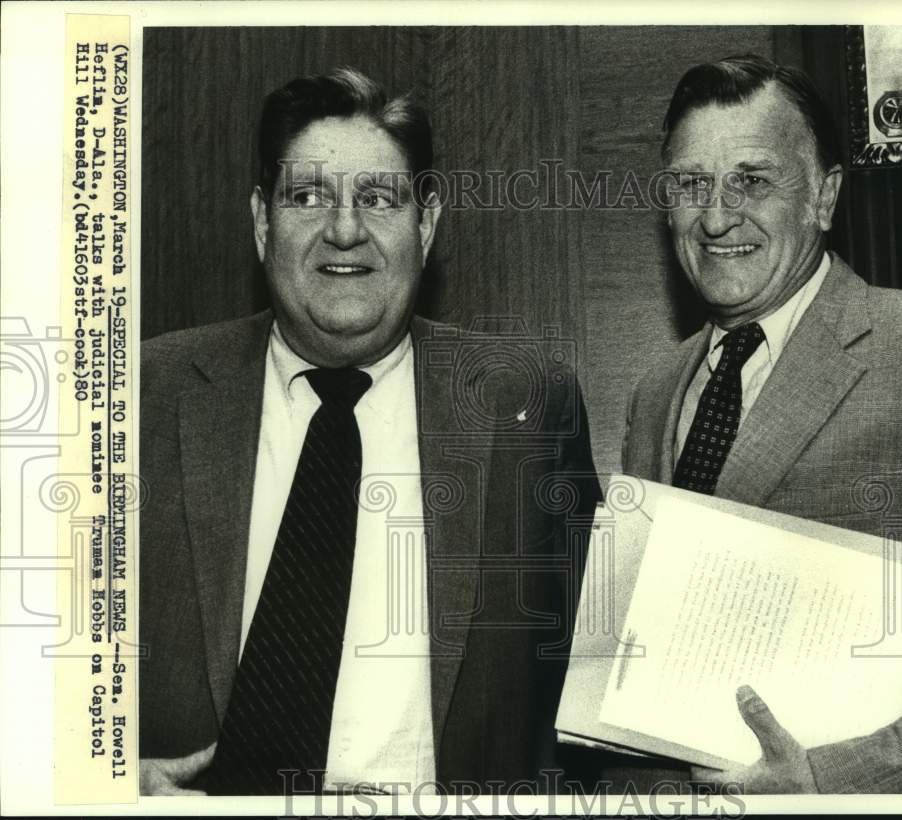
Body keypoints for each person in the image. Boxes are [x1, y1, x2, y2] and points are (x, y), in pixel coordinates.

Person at [138, 68, 601, 796]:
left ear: (426, 222)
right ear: (263, 221)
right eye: (308, 196)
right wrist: (92, 775)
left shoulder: (528, 406)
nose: (344, 229)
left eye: (378, 199)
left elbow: (585, 689)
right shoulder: (140, 397)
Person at [617, 55, 902, 793]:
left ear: (823, 196)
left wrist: (827, 782)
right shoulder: (655, 395)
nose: (716, 217)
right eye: (691, 185)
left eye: (752, 179)